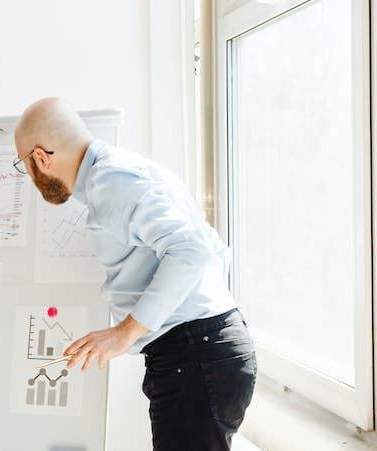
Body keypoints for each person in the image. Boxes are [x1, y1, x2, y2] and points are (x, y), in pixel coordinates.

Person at [14, 97, 256, 451]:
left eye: (25, 165)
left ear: (41, 158)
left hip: (194, 356)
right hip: (199, 352)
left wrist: (126, 332)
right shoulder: (123, 172)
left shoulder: (112, 182)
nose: (31, 176)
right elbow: (209, 245)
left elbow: (192, 249)